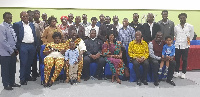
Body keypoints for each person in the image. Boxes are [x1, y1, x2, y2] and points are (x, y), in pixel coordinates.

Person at [13, 11, 38, 85]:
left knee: (29, 62)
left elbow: (34, 34)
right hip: (23, 46)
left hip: (32, 45)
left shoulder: (31, 24)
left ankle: (27, 76)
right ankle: (22, 79)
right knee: (23, 62)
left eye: (27, 16)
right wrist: (17, 47)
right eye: (23, 16)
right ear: (21, 17)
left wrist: (35, 45)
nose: (26, 17)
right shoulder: (17, 24)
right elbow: (15, 36)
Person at [0, 12, 21, 90]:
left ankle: (12, 82)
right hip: (5, 53)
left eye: (10, 18)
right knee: (5, 69)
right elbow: (3, 41)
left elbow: (13, 39)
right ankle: (6, 84)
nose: (9, 19)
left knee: (12, 68)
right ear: (4, 18)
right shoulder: (1, 27)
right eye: (7, 18)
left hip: (13, 51)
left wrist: (15, 49)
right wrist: (11, 50)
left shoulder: (10, 26)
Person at [174, 13, 194, 79]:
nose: (182, 19)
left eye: (184, 18)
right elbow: (175, 35)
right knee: (177, 59)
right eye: (181, 18)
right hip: (177, 45)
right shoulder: (176, 27)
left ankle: (183, 73)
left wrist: (188, 42)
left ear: (186, 18)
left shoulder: (190, 26)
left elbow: (191, 36)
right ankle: (176, 72)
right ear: (179, 19)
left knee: (184, 59)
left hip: (185, 46)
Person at [32, 10, 45, 80]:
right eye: (35, 14)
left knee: (41, 57)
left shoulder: (43, 23)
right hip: (34, 42)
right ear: (33, 15)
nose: (37, 15)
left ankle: (41, 71)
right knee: (34, 58)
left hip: (42, 42)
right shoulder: (31, 23)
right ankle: (34, 73)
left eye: (38, 14)